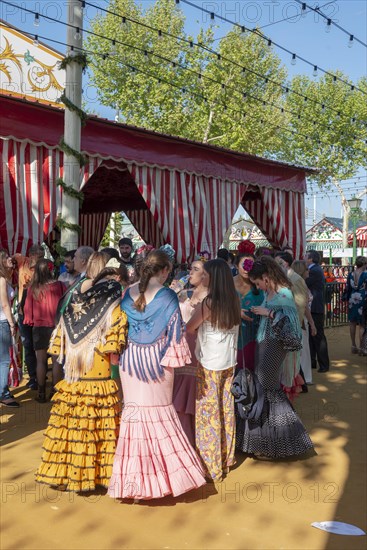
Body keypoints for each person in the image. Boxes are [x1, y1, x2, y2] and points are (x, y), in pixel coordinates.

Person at [108, 250, 206, 501]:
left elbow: (118, 328)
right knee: (161, 414)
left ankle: (133, 482)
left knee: (133, 417)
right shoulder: (168, 296)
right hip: (157, 362)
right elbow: (176, 334)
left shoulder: (126, 293)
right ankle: (165, 479)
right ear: (163, 271)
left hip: (130, 362)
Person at [35, 274, 128, 492]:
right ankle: (97, 476)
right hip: (99, 380)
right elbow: (114, 353)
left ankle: (68, 474)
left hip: (74, 379)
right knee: (97, 427)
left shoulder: (71, 313)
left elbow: (59, 350)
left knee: (71, 425)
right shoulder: (113, 313)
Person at [236, 256, 314, 459]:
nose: (258, 287)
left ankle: (283, 442)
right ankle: (273, 443)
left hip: (274, 345)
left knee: (269, 388)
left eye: (258, 282)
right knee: (266, 389)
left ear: (266, 277)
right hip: (266, 343)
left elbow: (292, 329)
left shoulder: (284, 294)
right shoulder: (273, 293)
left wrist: (268, 313)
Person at [187, 259, 241, 482]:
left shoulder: (209, 302)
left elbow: (190, 327)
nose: (203, 277)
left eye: (206, 274)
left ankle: (211, 466)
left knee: (208, 413)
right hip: (228, 359)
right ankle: (225, 458)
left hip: (210, 361)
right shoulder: (233, 300)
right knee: (225, 408)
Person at [172, 258, 208, 446]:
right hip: (180, 349)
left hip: (199, 349)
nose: (190, 273)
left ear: (205, 275)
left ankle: (196, 444)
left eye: (195, 269)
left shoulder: (209, 298)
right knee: (178, 399)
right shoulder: (183, 294)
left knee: (193, 397)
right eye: (190, 269)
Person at [23, 260, 65, 402]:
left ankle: (41, 393)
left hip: (39, 328)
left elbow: (27, 311)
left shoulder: (32, 288)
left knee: (40, 361)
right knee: (56, 361)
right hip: (56, 326)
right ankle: (55, 391)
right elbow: (66, 304)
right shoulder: (60, 285)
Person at [275, 252, 316, 396]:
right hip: (284, 327)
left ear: (285, 263)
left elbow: (300, 305)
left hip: (292, 327)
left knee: (293, 363)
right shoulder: (285, 278)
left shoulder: (296, 279)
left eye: (278, 262)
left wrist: (296, 326)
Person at [13, 244, 45, 390]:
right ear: (32, 255)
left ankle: (40, 375)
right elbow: (12, 257)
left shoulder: (44, 269)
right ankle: (33, 377)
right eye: (39, 256)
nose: (41, 260)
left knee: (39, 346)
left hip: (38, 313)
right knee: (28, 345)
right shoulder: (22, 262)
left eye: (42, 257)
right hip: (23, 312)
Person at [234, 241, 263, 372]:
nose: (246, 269)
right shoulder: (227, 283)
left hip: (257, 338)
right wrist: (234, 312)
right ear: (236, 265)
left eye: (250, 264)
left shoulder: (261, 286)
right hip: (232, 339)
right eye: (243, 264)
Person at [305, 250, 330, 373]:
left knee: (318, 336)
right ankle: (314, 361)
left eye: (306, 256)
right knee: (313, 336)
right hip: (314, 306)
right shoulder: (315, 269)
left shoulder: (314, 270)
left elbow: (305, 282)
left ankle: (324, 364)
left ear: (310, 259)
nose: (304, 257)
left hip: (315, 307)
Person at [292, 260, 316, 386]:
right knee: (303, 351)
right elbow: (304, 306)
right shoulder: (300, 285)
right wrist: (312, 323)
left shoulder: (299, 284)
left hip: (300, 320)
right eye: (306, 269)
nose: (308, 271)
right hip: (301, 321)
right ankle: (305, 378)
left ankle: (303, 377)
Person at [0, 250, 19, 408]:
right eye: (6, 257)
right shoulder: (1, 280)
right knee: (4, 360)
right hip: (2, 321)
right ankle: (3, 393)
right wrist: (12, 323)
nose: (9, 258)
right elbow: (5, 304)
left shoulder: (4, 279)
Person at [343, 256, 367, 354]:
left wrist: (346, 298)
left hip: (352, 299)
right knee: (362, 324)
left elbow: (347, 288)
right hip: (363, 298)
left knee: (352, 322)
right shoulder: (365, 274)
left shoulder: (351, 274)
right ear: (364, 264)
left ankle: (353, 345)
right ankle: (362, 348)